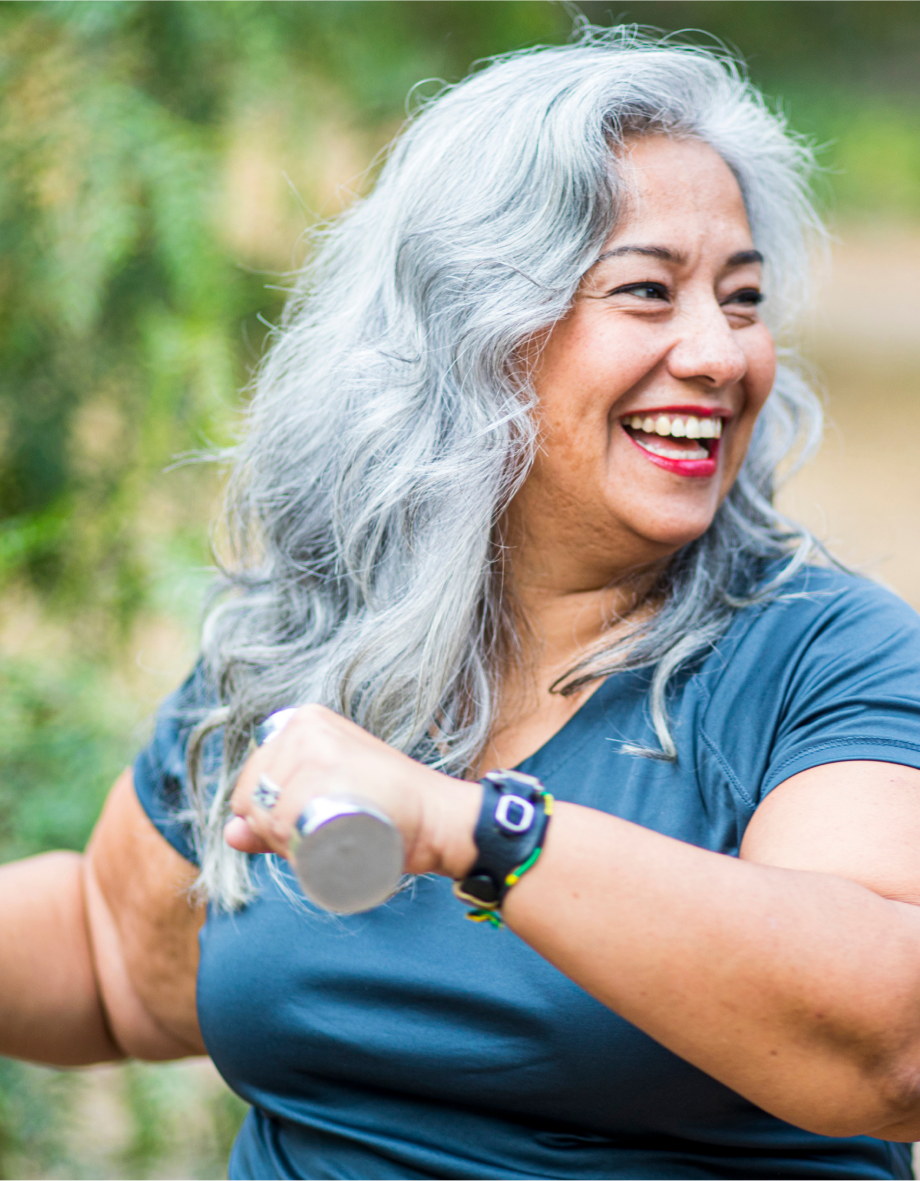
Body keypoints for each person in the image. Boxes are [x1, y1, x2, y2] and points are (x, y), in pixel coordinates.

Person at [3, 24, 920, 1181]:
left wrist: (474, 831)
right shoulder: (321, 632)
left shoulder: (821, 658)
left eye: (740, 300)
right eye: (646, 291)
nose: (719, 353)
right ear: (473, 328)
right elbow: (114, 958)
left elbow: (887, 1043)